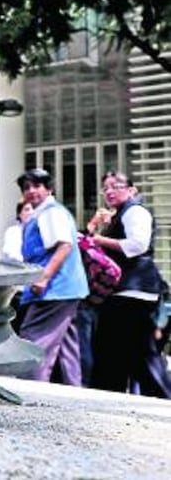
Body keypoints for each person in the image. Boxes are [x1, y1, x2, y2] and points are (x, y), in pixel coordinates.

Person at [86, 171, 171, 397]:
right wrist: (96, 228)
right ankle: (113, 394)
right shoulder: (119, 215)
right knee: (134, 352)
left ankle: (110, 394)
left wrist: (99, 239)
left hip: (134, 291)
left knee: (125, 350)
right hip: (127, 291)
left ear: (132, 190)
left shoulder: (135, 211)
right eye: (105, 188)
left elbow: (137, 245)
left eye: (116, 185)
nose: (110, 191)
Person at [14, 167, 89, 385]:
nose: (31, 191)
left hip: (54, 289)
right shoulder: (43, 213)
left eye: (37, 185)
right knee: (66, 345)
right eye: (27, 187)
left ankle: (30, 389)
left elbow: (64, 245)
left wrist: (43, 277)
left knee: (34, 338)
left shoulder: (50, 213)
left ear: (49, 189)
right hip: (67, 289)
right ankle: (74, 391)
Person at [0, 199, 34, 264]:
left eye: (34, 209)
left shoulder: (42, 230)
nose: (31, 212)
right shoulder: (13, 232)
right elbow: (12, 255)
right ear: (19, 214)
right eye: (27, 209)